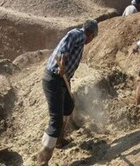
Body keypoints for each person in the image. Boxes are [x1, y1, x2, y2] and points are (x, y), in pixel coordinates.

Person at [37, 19, 98, 165]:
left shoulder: (82, 41)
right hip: (53, 79)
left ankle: (59, 140)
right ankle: (43, 158)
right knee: (56, 120)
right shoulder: (77, 34)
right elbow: (65, 47)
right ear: (90, 33)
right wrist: (62, 64)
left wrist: (67, 77)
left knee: (69, 106)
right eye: (93, 37)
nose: (92, 40)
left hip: (63, 80)